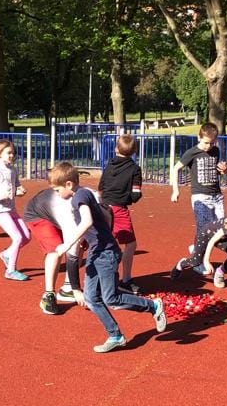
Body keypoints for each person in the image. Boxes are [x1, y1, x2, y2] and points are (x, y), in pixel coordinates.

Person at [51, 162, 166, 353]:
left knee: (111, 298)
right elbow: (101, 218)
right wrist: (90, 239)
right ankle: (116, 336)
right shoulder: (84, 194)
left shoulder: (79, 196)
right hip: (97, 252)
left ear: (69, 184)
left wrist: (68, 244)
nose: (56, 194)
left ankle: (153, 306)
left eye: (57, 190)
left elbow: (87, 221)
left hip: (105, 254)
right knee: (91, 299)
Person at [23, 182, 85, 314]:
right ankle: (48, 295)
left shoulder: (92, 200)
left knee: (81, 244)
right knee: (56, 250)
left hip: (58, 215)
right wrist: (77, 288)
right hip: (38, 214)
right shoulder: (64, 205)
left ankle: (68, 288)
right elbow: (70, 246)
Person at [170, 204, 227, 289]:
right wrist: (206, 261)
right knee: (196, 262)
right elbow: (212, 241)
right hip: (206, 236)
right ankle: (180, 264)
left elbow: (225, 235)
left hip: (220, 238)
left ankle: (219, 272)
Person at [98, 133, 143, 293]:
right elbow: (136, 194)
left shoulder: (108, 165)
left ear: (116, 148)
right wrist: (127, 198)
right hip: (119, 209)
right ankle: (126, 279)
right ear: (134, 151)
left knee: (102, 243)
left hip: (103, 207)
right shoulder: (135, 169)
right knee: (130, 244)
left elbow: (101, 187)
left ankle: (97, 280)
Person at [0, 139, 31, 281]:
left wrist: (19, 190)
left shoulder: (13, 170)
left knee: (26, 237)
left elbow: (16, 186)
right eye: (8, 153)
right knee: (17, 238)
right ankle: (10, 270)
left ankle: (6, 254)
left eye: (13, 153)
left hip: (11, 209)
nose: (11, 155)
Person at [171, 122, 227, 232]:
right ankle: (200, 243)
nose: (208, 146)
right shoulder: (192, 153)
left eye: (211, 143)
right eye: (206, 143)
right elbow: (176, 168)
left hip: (217, 195)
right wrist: (175, 190)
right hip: (201, 196)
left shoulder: (215, 151)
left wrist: (225, 169)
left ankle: (202, 244)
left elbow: (216, 171)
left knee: (221, 228)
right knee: (204, 229)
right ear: (199, 138)